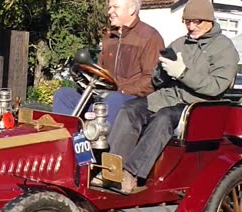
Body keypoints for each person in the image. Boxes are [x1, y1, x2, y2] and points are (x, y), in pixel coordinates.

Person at [98, 0, 240, 194]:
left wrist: (182, 72)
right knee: (130, 109)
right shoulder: (181, 43)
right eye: (188, 22)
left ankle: (131, 175)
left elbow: (216, 87)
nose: (192, 27)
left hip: (199, 106)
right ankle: (111, 170)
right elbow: (158, 79)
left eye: (197, 21)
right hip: (168, 97)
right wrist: (162, 71)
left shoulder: (224, 49)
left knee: (163, 118)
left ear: (209, 20)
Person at [52, 0, 164, 125]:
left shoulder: (149, 37)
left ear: (132, 10)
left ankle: (99, 140)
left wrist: (121, 90)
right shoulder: (109, 38)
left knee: (114, 99)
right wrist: (84, 76)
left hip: (134, 100)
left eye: (115, 7)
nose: (110, 12)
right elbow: (100, 70)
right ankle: (67, 138)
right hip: (106, 96)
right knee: (63, 95)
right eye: (110, 7)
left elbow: (151, 80)